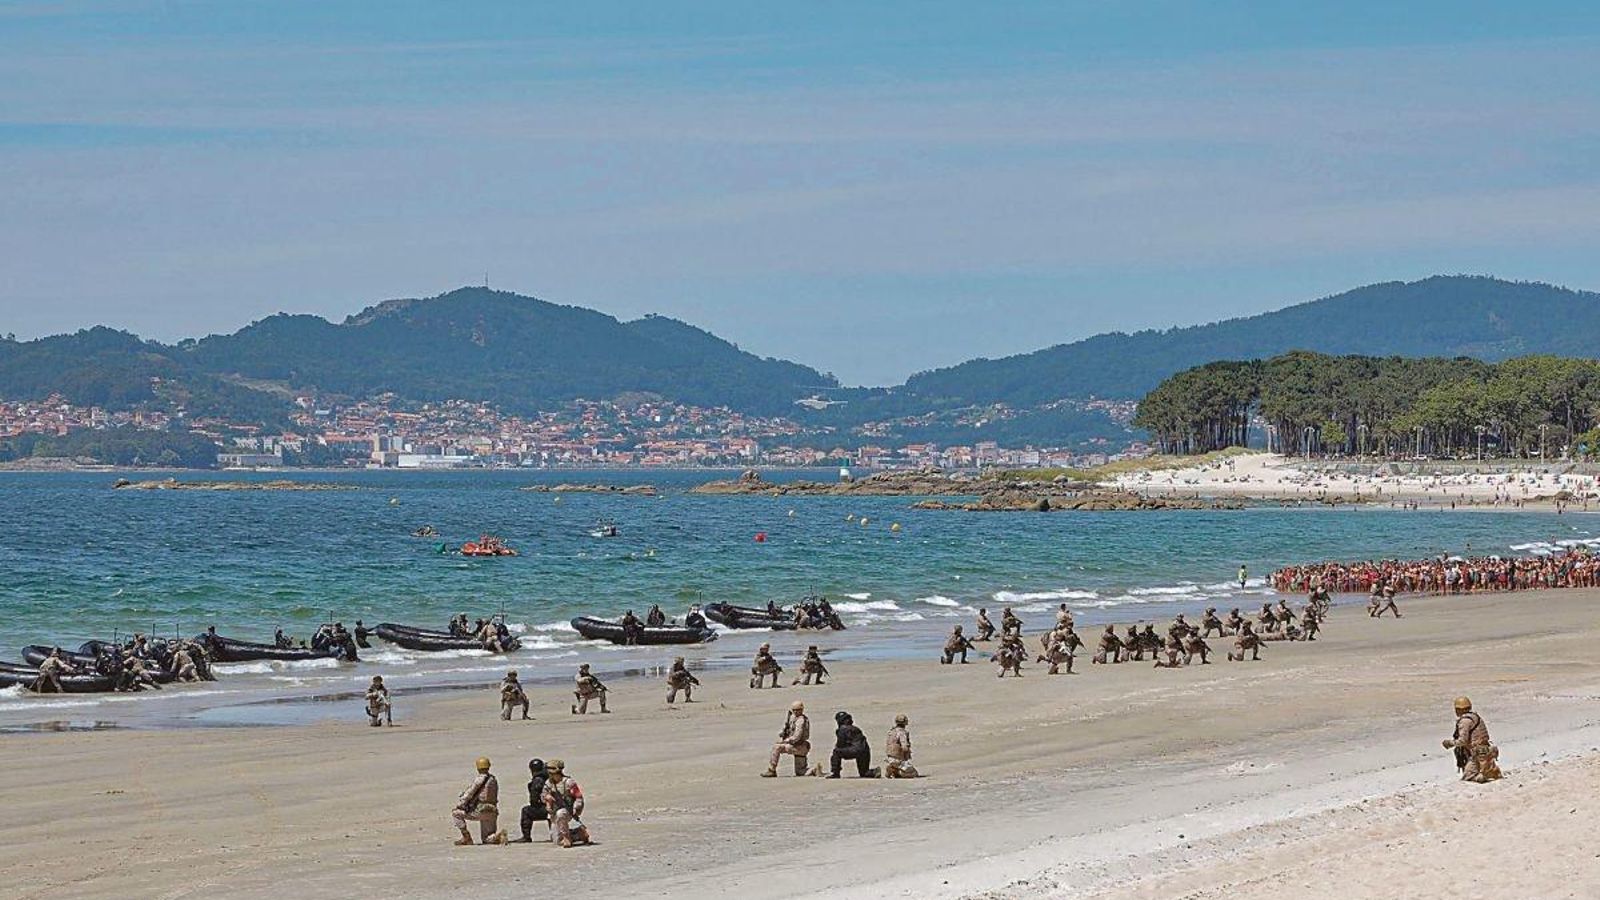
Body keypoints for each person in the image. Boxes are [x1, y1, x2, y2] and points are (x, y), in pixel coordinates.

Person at [1442, 697, 1501, 783]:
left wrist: (1449, 743)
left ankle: (1482, 774)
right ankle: (1487, 770)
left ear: (1458, 709)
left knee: (1468, 778)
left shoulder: (1465, 721)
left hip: (1477, 754)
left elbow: (1462, 741)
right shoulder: (1476, 717)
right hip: (1486, 751)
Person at [451, 757, 506, 845]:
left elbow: (469, 794)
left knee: (455, 814)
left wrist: (460, 804)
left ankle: (466, 837)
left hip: (480, 810)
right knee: (487, 839)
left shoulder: (479, 780)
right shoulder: (493, 779)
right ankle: (498, 836)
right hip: (492, 810)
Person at [541, 759, 590, 847]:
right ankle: (579, 833)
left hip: (568, 809)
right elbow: (543, 795)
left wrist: (576, 808)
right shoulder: (549, 783)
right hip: (554, 810)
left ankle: (567, 837)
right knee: (557, 840)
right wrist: (546, 798)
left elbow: (578, 797)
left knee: (561, 814)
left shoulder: (568, 782)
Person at [763, 700, 811, 777]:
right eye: (794, 710)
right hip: (799, 747)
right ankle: (814, 770)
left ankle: (772, 770)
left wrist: (785, 741)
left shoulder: (801, 721)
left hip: (799, 746)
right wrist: (782, 733)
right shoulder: (793, 718)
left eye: (797, 710)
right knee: (800, 772)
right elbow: (786, 728)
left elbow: (796, 737)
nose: (795, 712)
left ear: (801, 710)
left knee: (777, 747)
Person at [828, 711, 877, 778]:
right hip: (865, 750)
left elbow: (840, 745)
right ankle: (874, 772)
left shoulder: (842, 729)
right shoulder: (856, 728)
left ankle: (835, 773)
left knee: (836, 752)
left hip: (855, 750)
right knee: (864, 773)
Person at [511, 758, 550, 843]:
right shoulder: (548, 777)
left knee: (526, 811)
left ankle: (526, 837)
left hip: (546, 808)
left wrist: (536, 804)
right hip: (554, 806)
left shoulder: (537, 780)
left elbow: (534, 798)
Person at [884, 714, 919, 778]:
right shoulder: (902, 732)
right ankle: (897, 771)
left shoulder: (891, 732)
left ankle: (893, 769)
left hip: (889, 757)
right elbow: (904, 746)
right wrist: (907, 753)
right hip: (898, 758)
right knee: (914, 773)